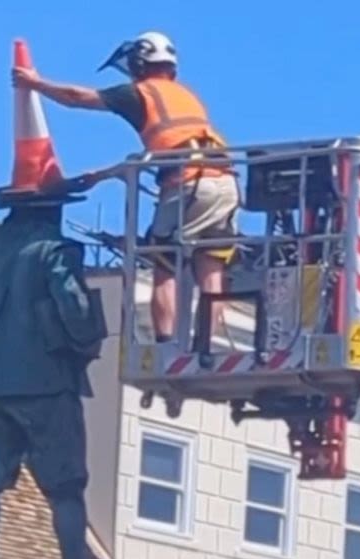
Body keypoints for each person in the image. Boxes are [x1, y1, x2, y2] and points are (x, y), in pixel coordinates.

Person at [14, 31, 239, 343]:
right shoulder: (185, 96)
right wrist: (103, 175)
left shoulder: (142, 93)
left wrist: (34, 83)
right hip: (224, 182)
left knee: (163, 263)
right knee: (210, 267)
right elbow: (165, 149)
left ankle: (165, 346)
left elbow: (79, 98)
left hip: (189, 184)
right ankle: (205, 349)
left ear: (139, 62)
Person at [0, 183, 107, 559]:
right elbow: (74, 308)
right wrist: (87, 337)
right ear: (48, 208)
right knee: (66, 485)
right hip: (44, 380)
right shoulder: (55, 251)